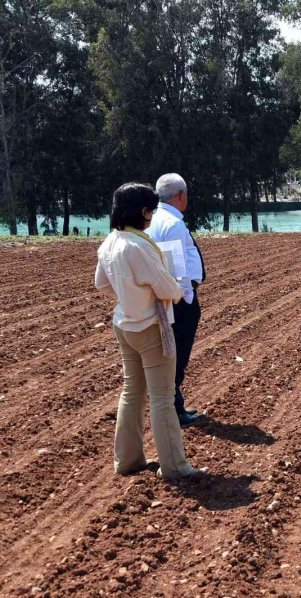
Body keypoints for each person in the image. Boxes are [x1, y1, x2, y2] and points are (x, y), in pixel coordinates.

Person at [94, 183, 204, 480]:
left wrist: (128, 287)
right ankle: (175, 467)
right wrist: (177, 290)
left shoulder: (110, 242)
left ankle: (128, 460)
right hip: (150, 327)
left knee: (132, 392)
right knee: (162, 397)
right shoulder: (139, 246)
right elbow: (168, 287)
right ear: (141, 211)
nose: (152, 216)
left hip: (124, 325)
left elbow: (101, 283)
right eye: (150, 210)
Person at [146, 173, 206, 426]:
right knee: (177, 353)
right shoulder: (172, 223)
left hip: (169, 296)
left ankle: (175, 403)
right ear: (181, 195)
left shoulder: (157, 219)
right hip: (178, 299)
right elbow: (176, 266)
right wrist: (187, 296)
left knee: (173, 352)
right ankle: (173, 409)